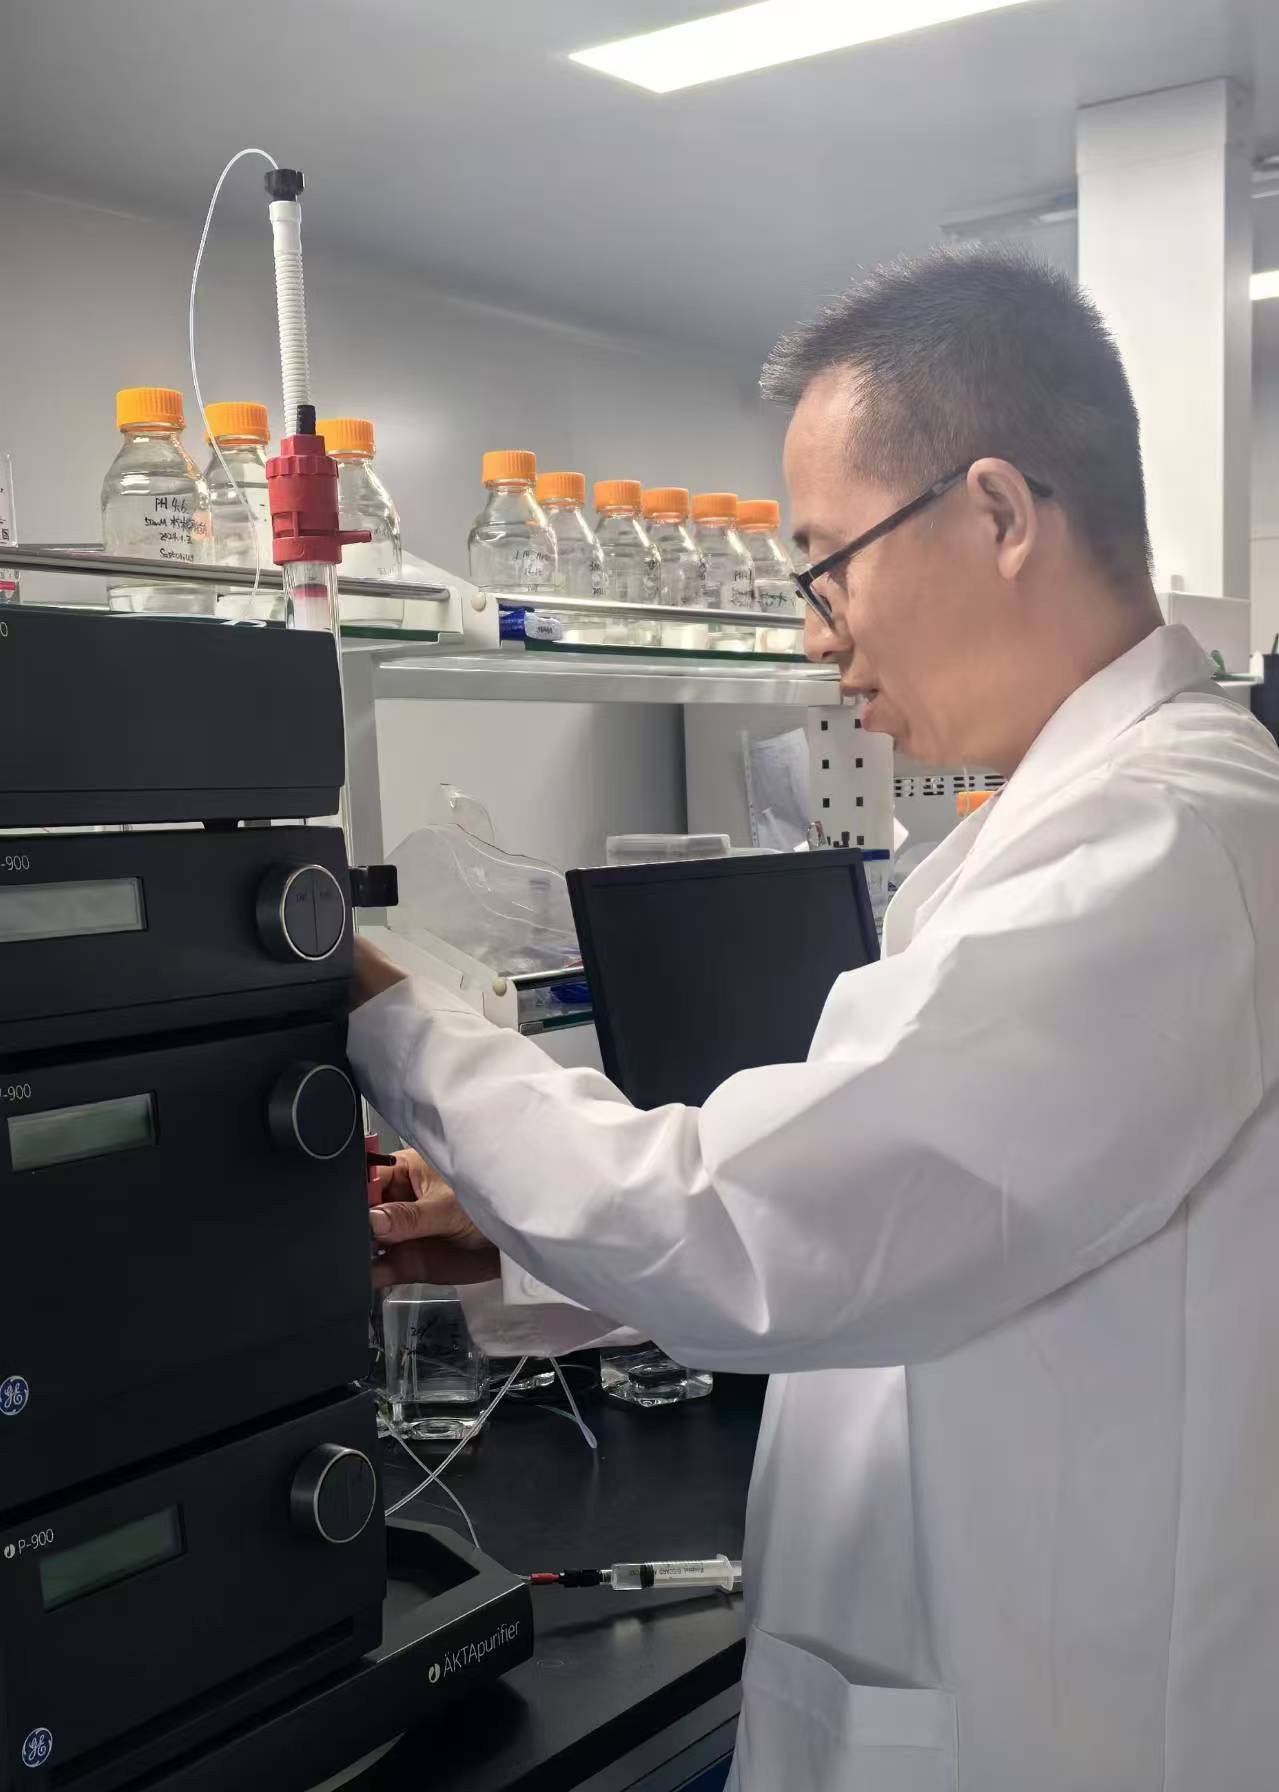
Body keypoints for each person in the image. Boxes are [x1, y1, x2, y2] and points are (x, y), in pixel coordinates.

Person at [349, 248, 1279, 1792]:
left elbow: (751, 1231)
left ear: (998, 514)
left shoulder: (1162, 844)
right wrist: (513, 1247)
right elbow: (906, 1232)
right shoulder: (1071, 828)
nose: (816, 633)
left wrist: (393, 1019)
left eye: (827, 563)